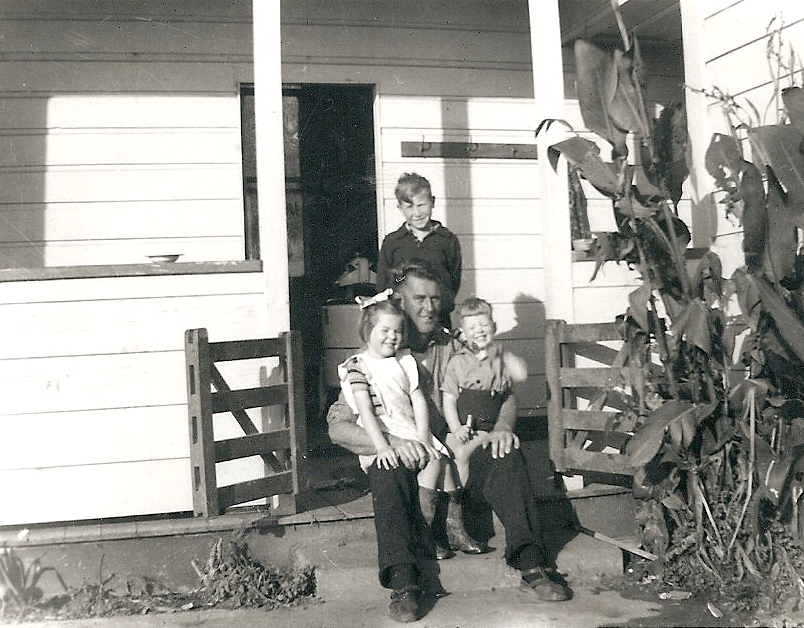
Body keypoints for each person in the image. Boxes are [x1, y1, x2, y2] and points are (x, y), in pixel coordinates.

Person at [328, 262, 570, 623]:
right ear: (399, 303)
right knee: (385, 468)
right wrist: (393, 443)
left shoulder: (459, 345)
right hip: (410, 463)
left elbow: (502, 390)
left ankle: (532, 563)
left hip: (457, 453)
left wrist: (504, 424)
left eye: (435, 299)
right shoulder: (376, 357)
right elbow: (338, 427)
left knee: (507, 452)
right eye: (419, 299)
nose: (429, 307)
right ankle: (404, 581)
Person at [441, 296, 528, 488]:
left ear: (494, 327)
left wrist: (504, 355)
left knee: (464, 454)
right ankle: (452, 498)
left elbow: (522, 374)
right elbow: (449, 399)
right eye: (472, 328)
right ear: (463, 333)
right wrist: (456, 428)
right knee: (447, 453)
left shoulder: (500, 359)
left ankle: (462, 497)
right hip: (459, 427)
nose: (479, 330)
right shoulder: (457, 362)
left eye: (484, 325)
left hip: (485, 428)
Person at [376, 172, 462, 327]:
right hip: (403, 322)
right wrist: (403, 281)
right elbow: (386, 284)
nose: (416, 213)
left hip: (436, 319)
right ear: (400, 207)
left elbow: (452, 283)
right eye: (409, 206)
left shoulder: (447, 240)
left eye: (422, 205)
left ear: (432, 202)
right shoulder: (393, 242)